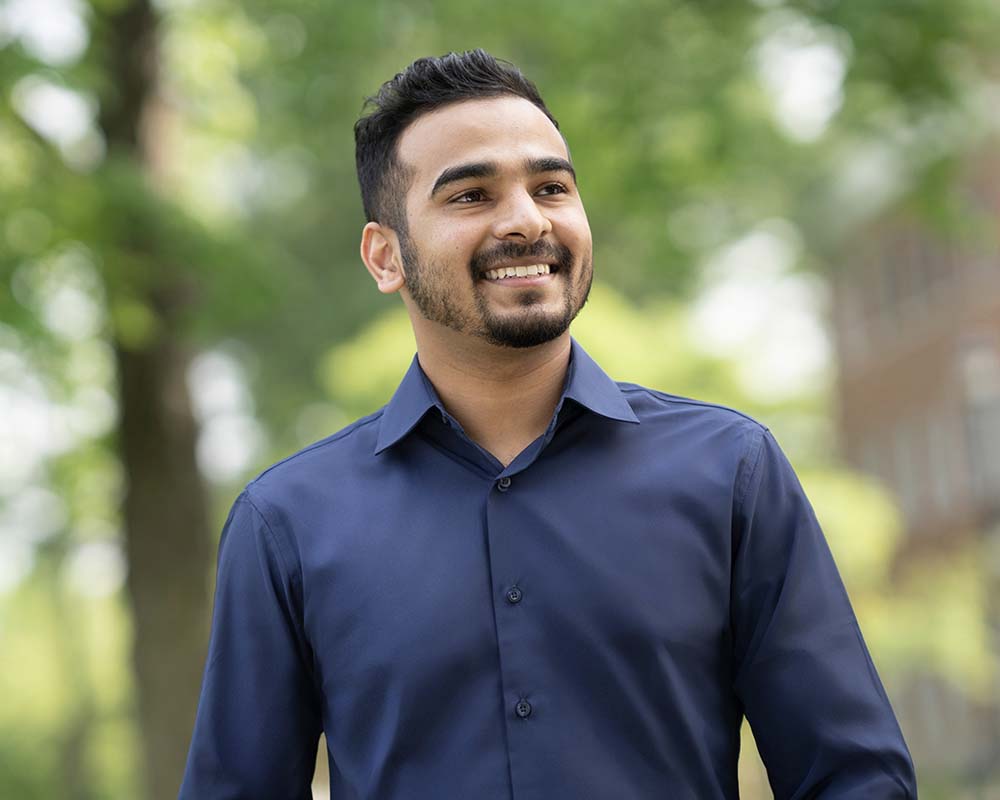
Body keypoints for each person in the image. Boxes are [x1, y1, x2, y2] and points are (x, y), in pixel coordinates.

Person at [180, 50, 917, 799]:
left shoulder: (730, 472)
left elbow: (854, 779)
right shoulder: (288, 525)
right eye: (470, 195)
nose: (527, 219)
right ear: (385, 256)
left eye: (552, 187)